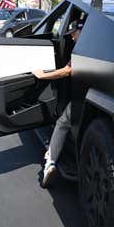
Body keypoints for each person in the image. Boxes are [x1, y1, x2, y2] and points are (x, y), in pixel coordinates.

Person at [32, 20, 84, 188]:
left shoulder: (82, 48)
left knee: (62, 123)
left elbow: (66, 71)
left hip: (84, 96)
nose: (72, 39)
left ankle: (50, 163)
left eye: (73, 34)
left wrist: (42, 76)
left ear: (80, 31)